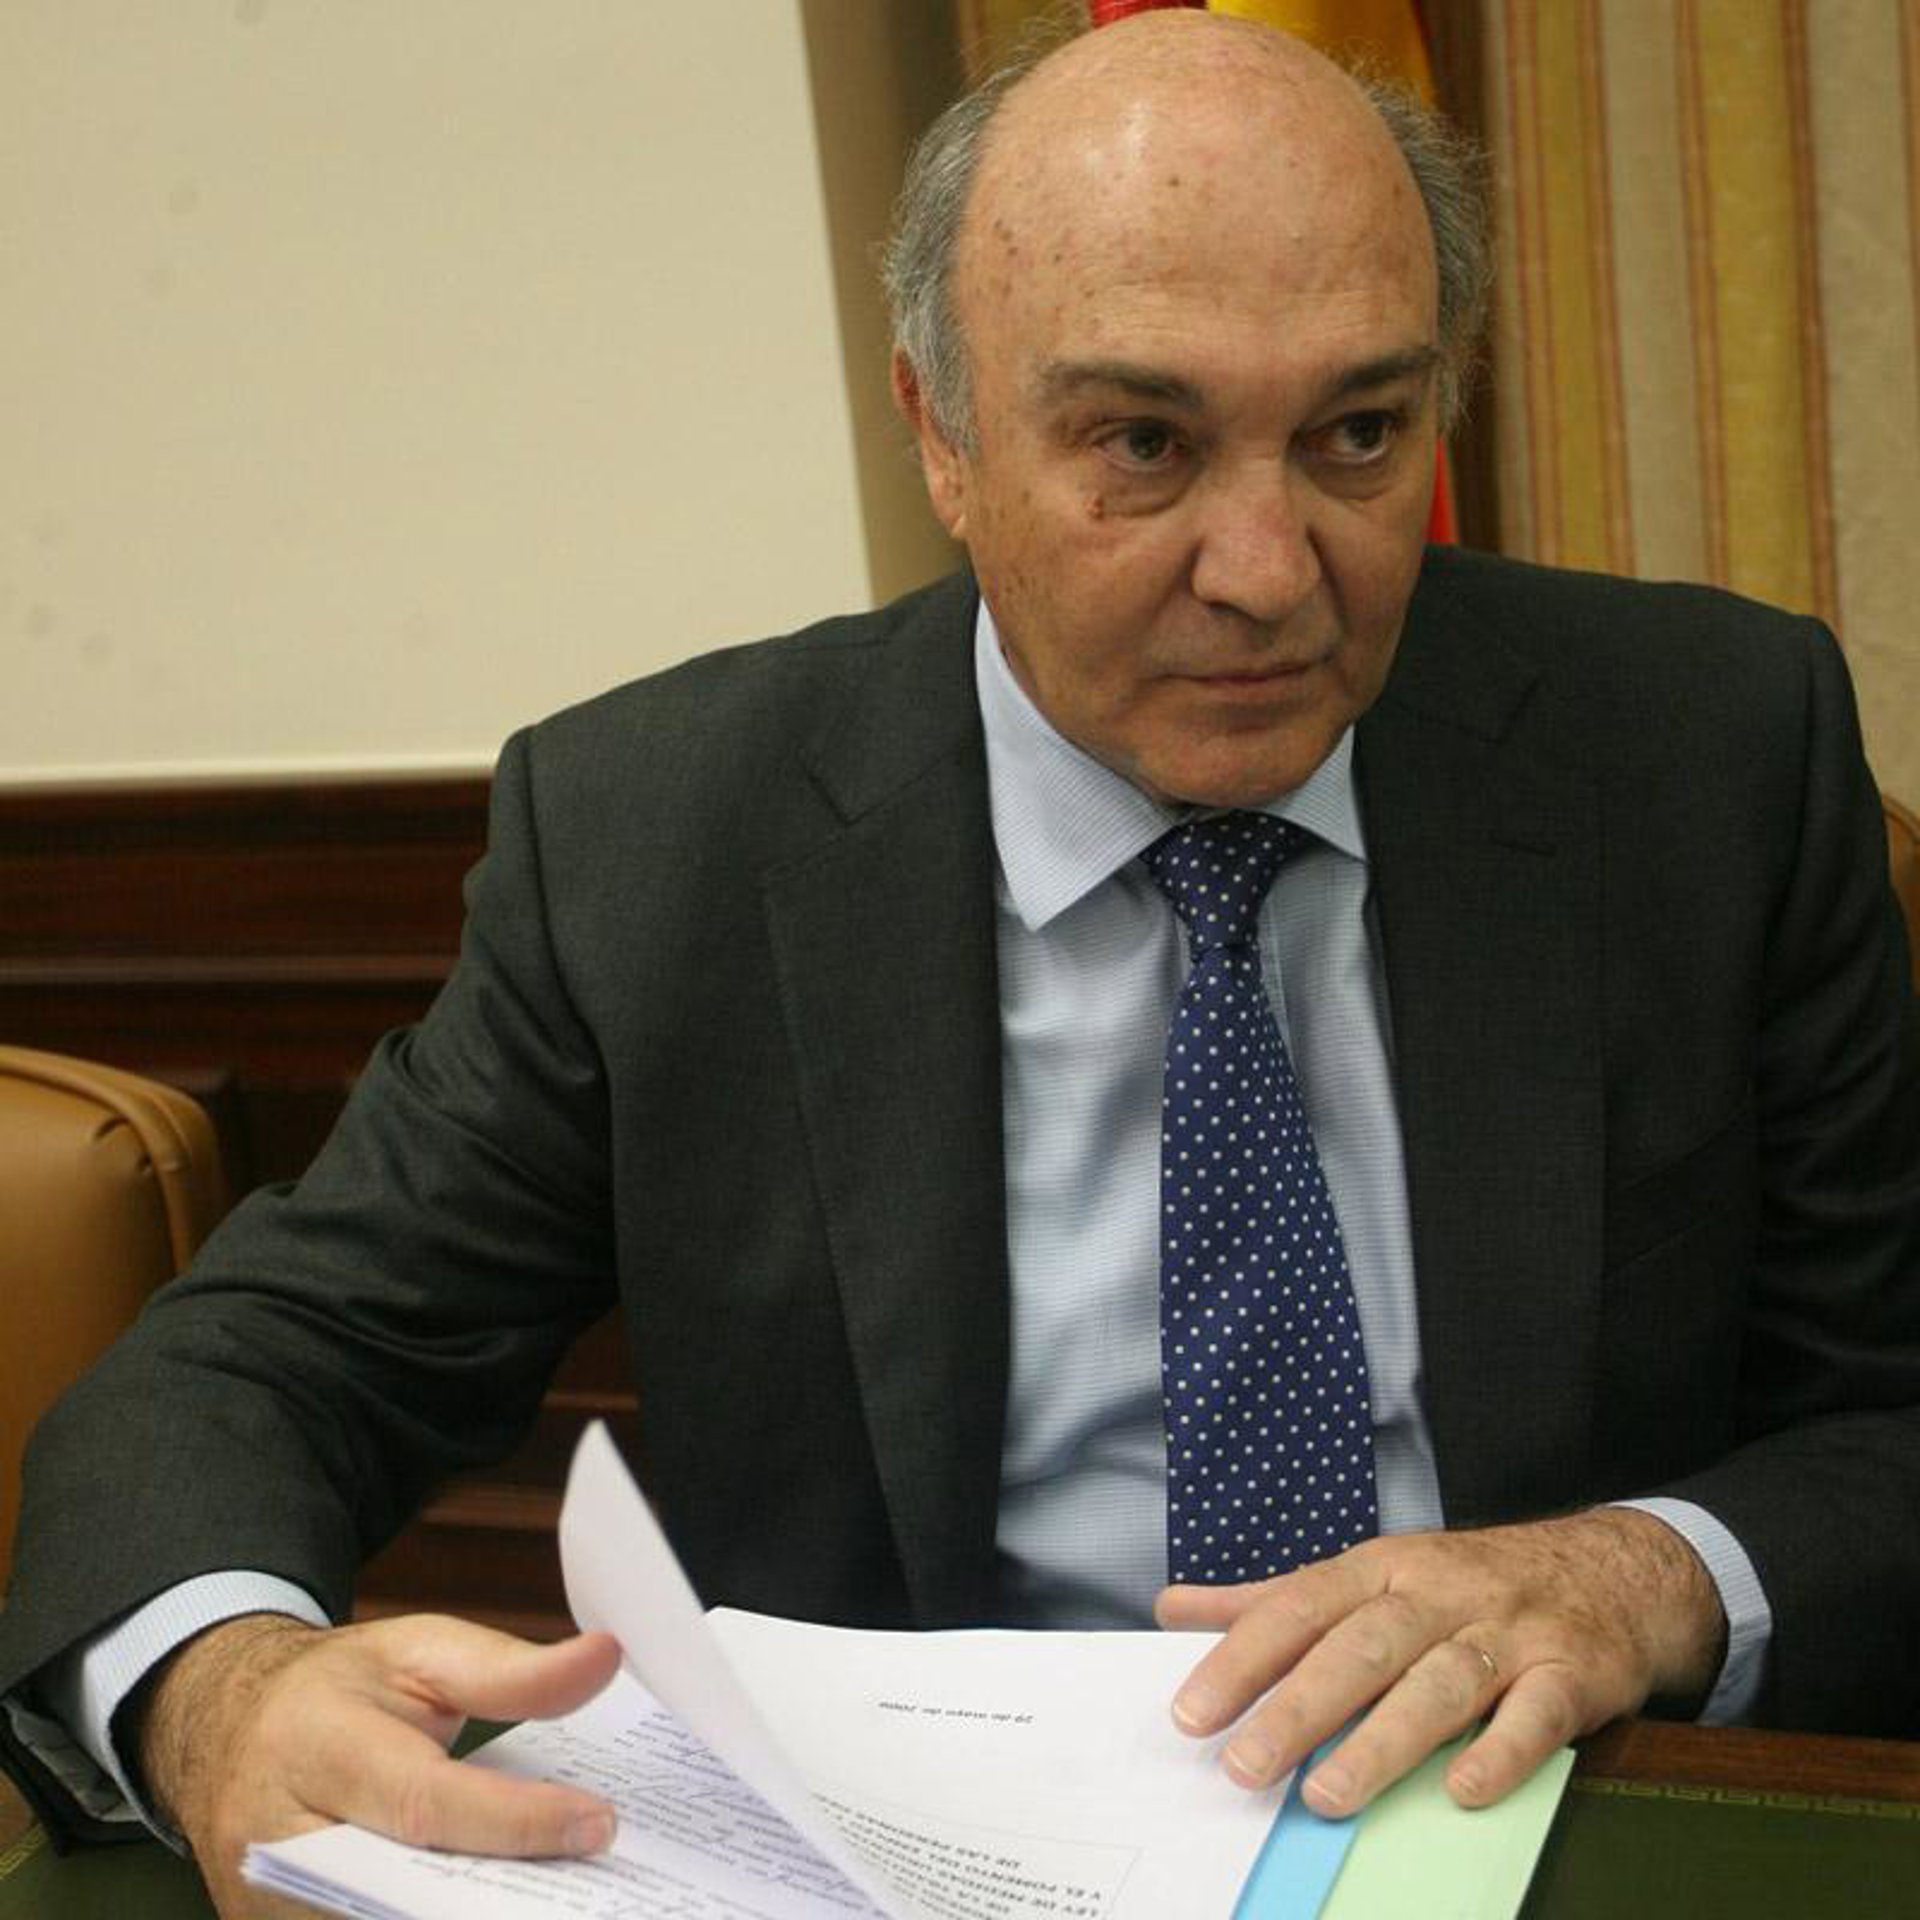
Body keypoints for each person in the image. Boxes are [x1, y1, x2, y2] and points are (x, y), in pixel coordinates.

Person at [4, 13, 1918, 1918]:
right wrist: (223, 1688)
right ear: (941, 432)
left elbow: (1894, 1410)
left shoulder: (1705, 759)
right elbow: (268, 1362)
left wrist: (1638, 1574)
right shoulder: (661, 842)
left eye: (1357, 432)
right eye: (1145, 444)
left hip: (1556, 1829)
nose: (1270, 569)